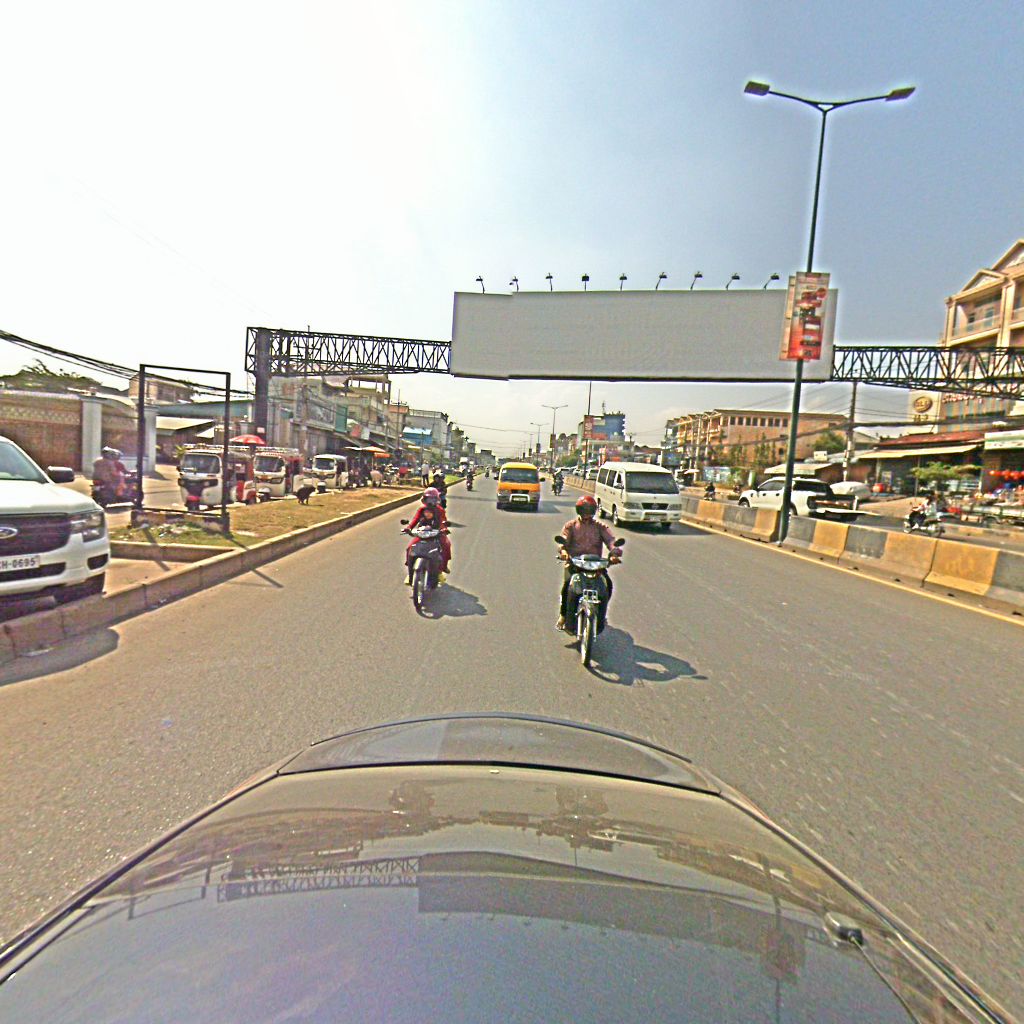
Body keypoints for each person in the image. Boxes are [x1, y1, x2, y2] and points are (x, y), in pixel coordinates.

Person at [556, 495, 621, 633]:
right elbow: (563, 541)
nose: (586, 513)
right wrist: (563, 551)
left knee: (607, 585)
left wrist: (615, 553)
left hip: (595, 565)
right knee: (567, 587)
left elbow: (611, 541)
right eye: (584, 510)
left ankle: (601, 614)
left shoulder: (600, 527)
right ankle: (563, 615)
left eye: (589, 510)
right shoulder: (570, 526)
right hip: (575, 564)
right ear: (578, 510)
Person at [404, 487, 452, 584]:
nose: (430, 502)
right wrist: (409, 528)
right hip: (422, 533)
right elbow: (415, 519)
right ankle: (410, 572)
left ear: (437, 499)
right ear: (424, 499)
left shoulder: (440, 510)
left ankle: (441, 570)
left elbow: (443, 520)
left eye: (433, 499)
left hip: (437, 533)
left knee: (446, 545)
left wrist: (444, 529)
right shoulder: (422, 509)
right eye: (428, 499)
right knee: (410, 548)